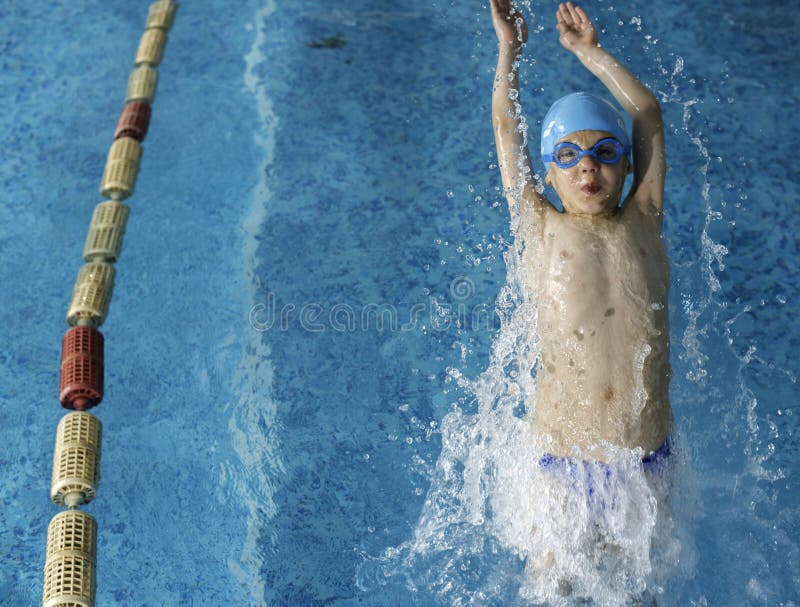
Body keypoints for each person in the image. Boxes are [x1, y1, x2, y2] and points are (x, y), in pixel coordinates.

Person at [489, 1, 672, 465]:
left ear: (629, 165)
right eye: (568, 156)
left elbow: (646, 112)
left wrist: (590, 53)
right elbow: (506, 128)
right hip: (562, 463)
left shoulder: (643, 217)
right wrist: (509, 50)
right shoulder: (541, 227)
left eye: (606, 151)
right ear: (548, 173)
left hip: (646, 463)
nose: (588, 164)